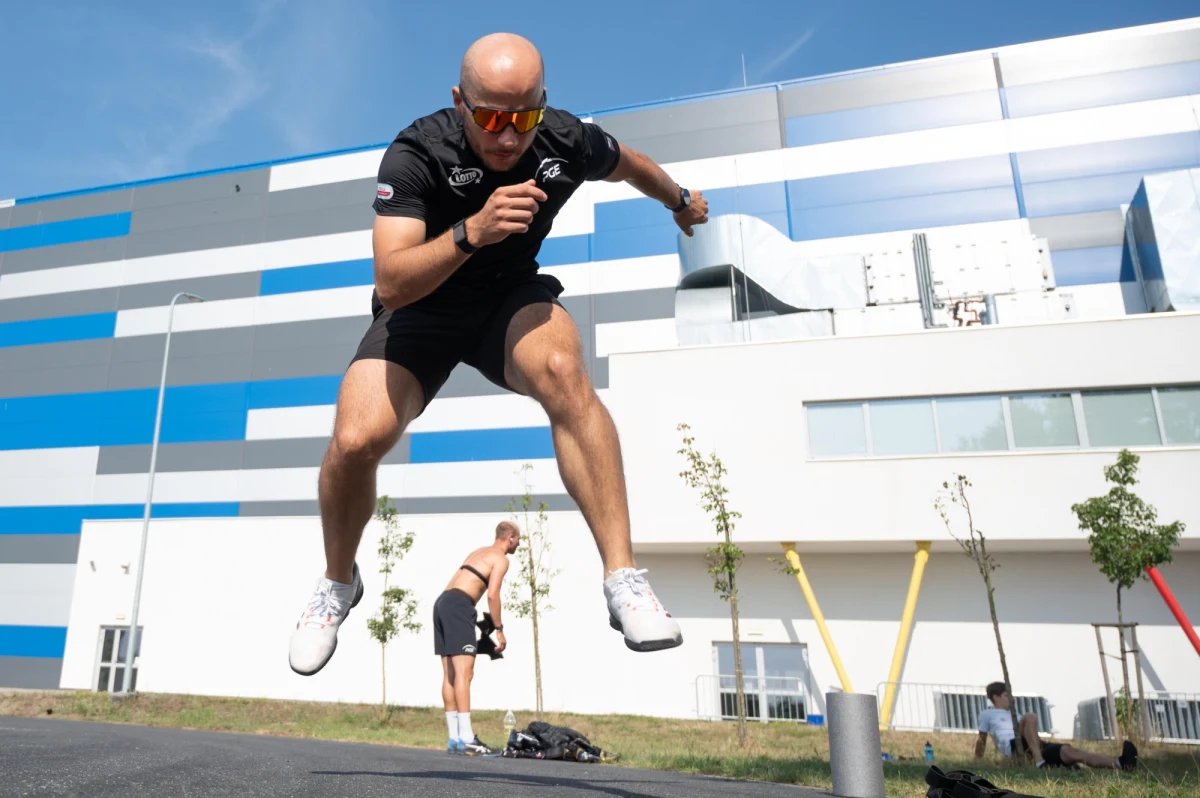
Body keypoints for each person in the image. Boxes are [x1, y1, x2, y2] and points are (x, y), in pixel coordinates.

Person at [288, 31, 708, 677]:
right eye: (490, 119)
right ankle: (338, 583)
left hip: (508, 301)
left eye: (524, 118)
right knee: (354, 439)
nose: (508, 137)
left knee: (566, 373)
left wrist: (679, 201)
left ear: (543, 104)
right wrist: (470, 232)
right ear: (461, 102)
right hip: (423, 303)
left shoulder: (565, 139)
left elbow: (633, 165)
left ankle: (622, 578)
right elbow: (390, 281)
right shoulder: (416, 152)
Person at [436, 521, 517, 755]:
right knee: (465, 672)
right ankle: (468, 738)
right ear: (510, 537)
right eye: (518, 540)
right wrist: (499, 628)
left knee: (450, 674)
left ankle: (455, 738)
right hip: (460, 605)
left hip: (442, 603)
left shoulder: (478, 552)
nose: (518, 545)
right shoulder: (501, 559)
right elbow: (492, 595)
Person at [975, 682, 1138, 771]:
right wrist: (978, 760)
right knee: (1030, 716)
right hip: (1015, 747)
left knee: (1071, 752)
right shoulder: (987, 714)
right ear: (995, 697)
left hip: (1035, 745)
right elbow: (981, 739)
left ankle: (1120, 764)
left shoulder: (1015, 714)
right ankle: (1040, 762)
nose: (1010, 698)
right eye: (1006, 695)